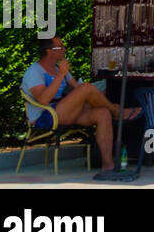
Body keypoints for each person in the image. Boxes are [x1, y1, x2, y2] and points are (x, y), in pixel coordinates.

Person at [22, 37, 141, 172]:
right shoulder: (34, 72)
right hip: (45, 116)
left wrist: (95, 96)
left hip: (64, 111)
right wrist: (60, 76)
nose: (64, 49)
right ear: (49, 51)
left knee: (102, 113)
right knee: (86, 88)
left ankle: (108, 164)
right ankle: (116, 110)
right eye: (60, 47)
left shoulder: (58, 68)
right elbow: (43, 100)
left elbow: (77, 88)